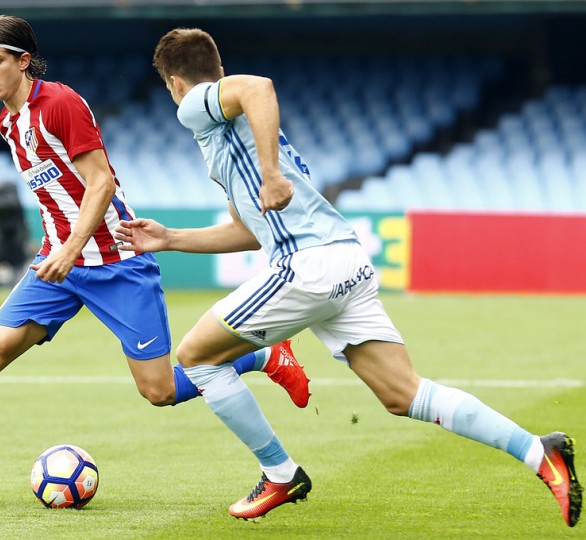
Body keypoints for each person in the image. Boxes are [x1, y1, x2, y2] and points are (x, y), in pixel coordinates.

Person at [114, 27, 583, 525]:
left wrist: (271, 173)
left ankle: (279, 471)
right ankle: (539, 452)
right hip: (347, 262)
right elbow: (248, 231)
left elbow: (260, 88)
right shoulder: (234, 139)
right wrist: (169, 239)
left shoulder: (197, 106)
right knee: (405, 394)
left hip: (308, 266)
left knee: (196, 358)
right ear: (220, 67)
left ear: (174, 85)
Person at [0, 15, 311, 504]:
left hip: (116, 260)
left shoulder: (60, 103)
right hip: (58, 262)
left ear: (24, 60)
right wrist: (60, 249)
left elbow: (100, 181)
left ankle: (262, 355)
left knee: (158, 391)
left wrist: (71, 247)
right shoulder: (8, 122)